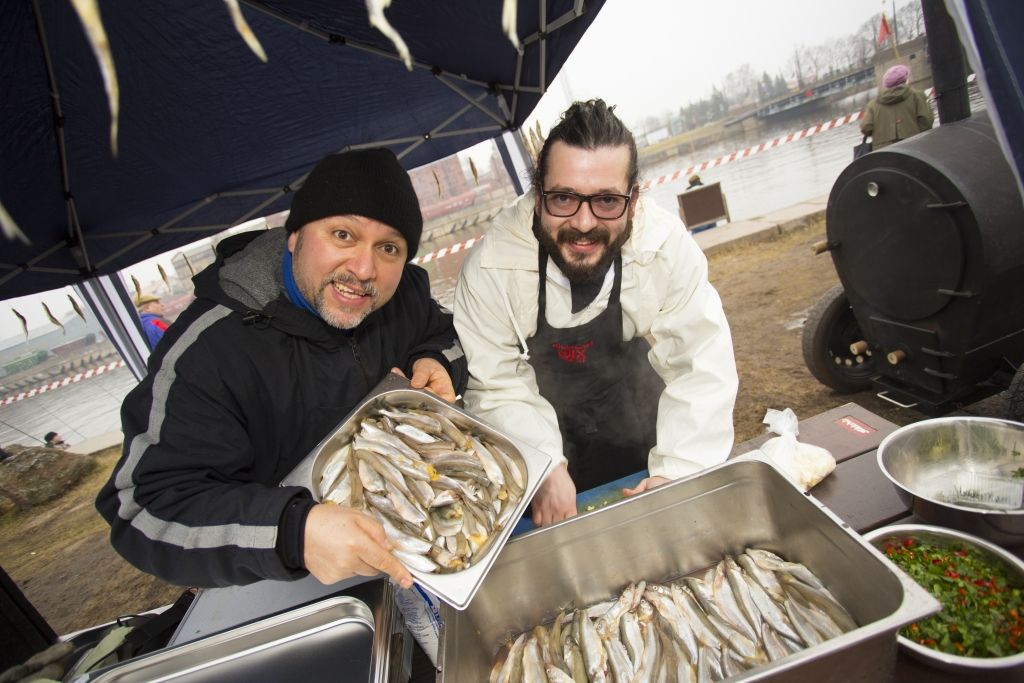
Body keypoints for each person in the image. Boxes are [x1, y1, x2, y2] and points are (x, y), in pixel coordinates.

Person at [96, 149, 467, 589]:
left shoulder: (403, 293)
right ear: (295, 236)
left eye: (389, 248)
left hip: (415, 523)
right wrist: (291, 533)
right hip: (284, 572)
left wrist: (436, 360)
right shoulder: (209, 351)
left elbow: (445, 334)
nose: (364, 269)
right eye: (343, 234)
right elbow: (143, 508)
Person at [454, 99, 738, 528]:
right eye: (563, 198)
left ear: (633, 199)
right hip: (541, 420)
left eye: (606, 200)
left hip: (638, 415)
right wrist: (543, 463)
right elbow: (496, 385)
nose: (584, 223)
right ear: (537, 197)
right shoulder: (491, 267)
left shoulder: (663, 246)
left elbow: (700, 361)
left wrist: (677, 470)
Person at [860, 64, 934, 150]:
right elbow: (926, 121)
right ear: (905, 80)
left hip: (884, 151)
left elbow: (866, 127)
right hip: (914, 148)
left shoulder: (873, 104)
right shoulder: (917, 96)